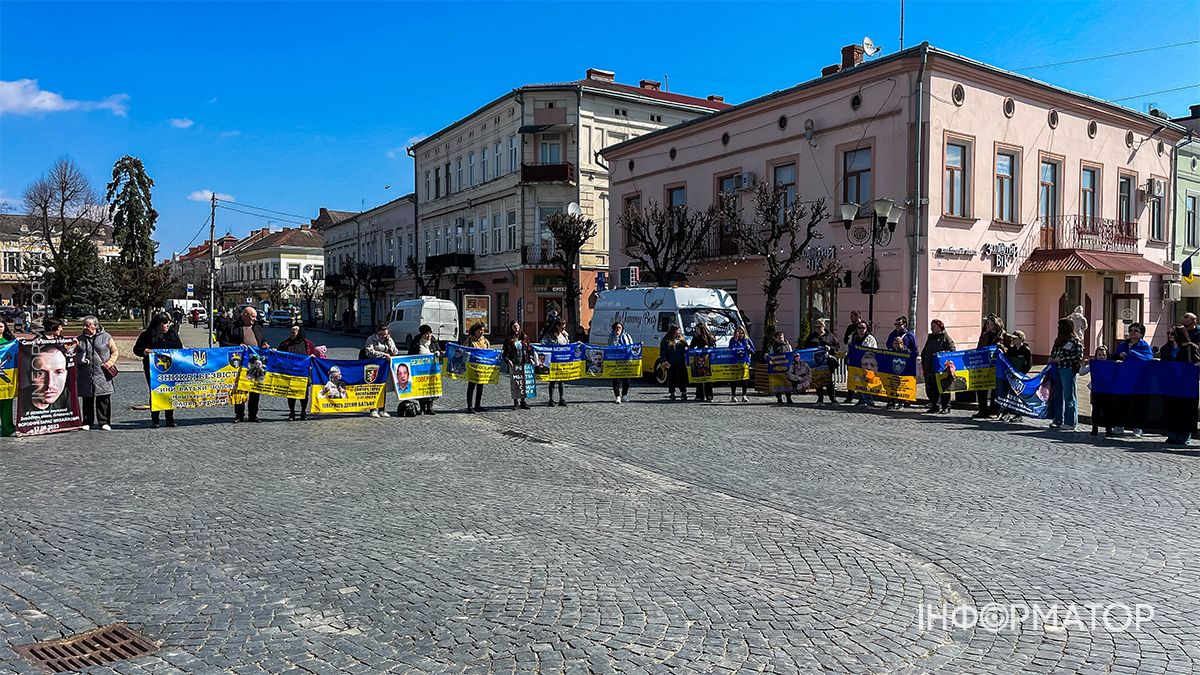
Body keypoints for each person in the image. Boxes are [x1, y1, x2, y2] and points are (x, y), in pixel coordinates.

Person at [219, 306, 268, 423]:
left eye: (255, 317)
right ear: (244, 315)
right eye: (252, 317)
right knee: (240, 389)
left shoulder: (257, 327)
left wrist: (264, 344)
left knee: (255, 390)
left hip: (255, 362)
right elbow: (223, 342)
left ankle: (253, 414)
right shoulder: (232, 327)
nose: (255, 319)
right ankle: (239, 414)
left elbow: (262, 340)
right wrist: (237, 347)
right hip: (239, 363)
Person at [133, 313, 182, 428]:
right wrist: (145, 351)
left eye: (168, 323)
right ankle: (155, 418)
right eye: (165, 323)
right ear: (158, 324)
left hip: (169, 368)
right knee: (155, 391)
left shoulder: (172, 334)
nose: (167, 326)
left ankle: (170, 418)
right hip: (153, 368)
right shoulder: (147, 335)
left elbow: (179, 347)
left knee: (169, 391)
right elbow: (137, 349)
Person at [76, 316, 118, 431]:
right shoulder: (79, 340)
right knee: (87, 398)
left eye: (87, 325)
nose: (84, 327)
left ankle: (104, 422)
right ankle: (87, 421)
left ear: (95, 326)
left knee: (103, 398)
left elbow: (114, 351)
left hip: (102, 372)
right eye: (83, 325)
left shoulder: (106, 337)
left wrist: (110, 362)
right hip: (86, 373)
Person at [1165, 326, 1200, 445]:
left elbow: (1197, 362)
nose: (1170, 336)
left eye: (1173, 333)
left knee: (1186, 410)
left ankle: (1184, 436)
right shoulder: (1167, 348)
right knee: (1172, 409)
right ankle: (1172, 435)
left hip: (1186, 385)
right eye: (1169, 333)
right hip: (1171, 383)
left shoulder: (1190, 347)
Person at [1047, 318, 1083, 431]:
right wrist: (1051, 358)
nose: (1058, 328)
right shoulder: (1058, 340)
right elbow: (1053, 352)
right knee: (1057, 394)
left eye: (1060, 327)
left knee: (1069, 395)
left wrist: (1061, 359)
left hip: (1067, 369)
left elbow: (1078, 356)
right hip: (1056, 369)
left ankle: (1070, 421)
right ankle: (1058, 419)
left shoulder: (1075, 341)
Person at [278, 324, 314, 421]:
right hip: (290, 372)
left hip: (303, 373)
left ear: (299, 333)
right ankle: (292, 412)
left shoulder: (308, 344)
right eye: (291, 331)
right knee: (291, 393)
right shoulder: (285, 344)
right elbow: (278, 355)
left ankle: (303, 412)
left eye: (294, 331)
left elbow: (314, 355)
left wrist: (313, 357)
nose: (292, 333)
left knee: (304, 394)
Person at [920, 319, 956, 414]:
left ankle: (946, 406)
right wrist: (924, 360)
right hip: (930, 367)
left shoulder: (945, 338)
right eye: (931, 326)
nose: (932, 328)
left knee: (944, 388)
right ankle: (935, 405)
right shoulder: (930, 338)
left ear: (940, 327)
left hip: (942, 368)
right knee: (932, 388)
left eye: (934, 326)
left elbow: (952, 351)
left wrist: (943, 354)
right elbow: (925, 351)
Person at [363, 324, 399, 418]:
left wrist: (390, 343)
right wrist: (383, 354)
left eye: (385, 334)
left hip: (384, 367)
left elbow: (395, 352)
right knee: (374, 387)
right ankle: (373, 409)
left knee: (383, 387)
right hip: (373, 366)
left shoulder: (389, 340)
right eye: (381, 334)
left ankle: (382, 409)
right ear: (377, 333)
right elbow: (369, 351)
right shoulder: (371, 339)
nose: (383, 336)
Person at [998, 330, 1033, 422]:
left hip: (1020, 375)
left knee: (1018, 395)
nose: (1013, 340)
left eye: (1015, 338)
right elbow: (1007, 360)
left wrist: (1021, 374)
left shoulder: (1026, 350)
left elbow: (1029, 364)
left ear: (1021, 339)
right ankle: (1006, 413)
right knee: (1008, 394)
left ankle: (1019, 414)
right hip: (1011, 375)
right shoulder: (1012, 350)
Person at [973, 315, 1005, 419]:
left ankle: (994, 411)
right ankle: (982, 410)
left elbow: (1009, 351)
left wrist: (1002, 348)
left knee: (995, 390)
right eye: (988, 323)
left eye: (992, 323)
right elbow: (979, 349)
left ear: (997, 324)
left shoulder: (1004, 336)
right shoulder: (984, 335)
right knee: (981, 388)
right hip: (984, 365)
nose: (989, 325)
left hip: (997, 366)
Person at [410, 324, 444, 415]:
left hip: (432, 369)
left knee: (430, 387)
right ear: (422, 334)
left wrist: (438, 354)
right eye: (426, 334)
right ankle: (422, 408)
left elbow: (440, 354)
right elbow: (410, 355)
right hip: (420, 370)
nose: (428, 336)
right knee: (421, 388)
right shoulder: (416, 342)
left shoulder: (434, 342)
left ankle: (430, 407)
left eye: (430, 333)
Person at [884, 316, 918, 409]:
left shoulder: (909, 335)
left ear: (904, 324)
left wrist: (910, 359)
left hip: (905, 363)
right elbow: (888, 345)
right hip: (894, 362)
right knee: (892, 381)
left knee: (903, 382)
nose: (897, 326)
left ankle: (903, 400)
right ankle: (892, 400)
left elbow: (915, 350)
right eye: (895, 324)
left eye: (899, 324)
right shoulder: (892, 334)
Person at [804, 319, 839, 405]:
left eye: (820, 326)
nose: (818, 328)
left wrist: (830, 348)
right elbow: (806, 347)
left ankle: (833, 398)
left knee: (828, 380)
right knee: (818, 380)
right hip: (815, 361)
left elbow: (837, 347)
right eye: (816, 327)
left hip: (827, 361)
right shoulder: (812, 336)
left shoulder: (830, 336)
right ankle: (820, 398)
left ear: (824, 326)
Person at [502, 320, 533, 410]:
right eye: (514, 326)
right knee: (515, 382)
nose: (516, 328)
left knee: (524, 382)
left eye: (517, 326)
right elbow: (505, 351)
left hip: (524, 361)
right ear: (511, 328)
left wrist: (530, 357)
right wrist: (508, 360)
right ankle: (515, 402)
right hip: (514, 363)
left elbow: (529, 348)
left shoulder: (524, 337)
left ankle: (523, 401)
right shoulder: (509, 338)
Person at [848, 321, 879, 407]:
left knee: (867, 382)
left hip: (866, 363)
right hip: (855, 362)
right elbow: (849, 348)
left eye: (863, 328)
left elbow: (874, 350)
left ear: (866, 329)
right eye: (859, 328)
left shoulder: (870, 339)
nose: (861, 330)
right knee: (857, 381)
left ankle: (870, 401)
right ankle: (861, 400)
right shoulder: (853, 337)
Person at [542, 318, 571, 407]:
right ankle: (551, 399)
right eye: (562, 327)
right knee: (552, 381)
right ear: (557, 326)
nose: (563, 329)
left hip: (562, 361)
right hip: (553, 361)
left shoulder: (564, 335)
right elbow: (543, 344)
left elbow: (568, 346)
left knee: (561, 380)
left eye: (564, 327)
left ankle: (561, 399)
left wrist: (568, 337)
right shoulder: (550, 335)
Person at [463, 322, 489, 414]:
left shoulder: (484, 340)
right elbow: (464, 351)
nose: (482, 332)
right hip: (472, 366)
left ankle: (478, 405)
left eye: (483, 330)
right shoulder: (470, 340)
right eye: (480, 330)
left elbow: (488, 351)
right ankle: (470, 406)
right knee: (471, 386)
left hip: (482, 366)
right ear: (475, 331)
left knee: (480, 386)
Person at [659, 325, 688, 401]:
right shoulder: (666, 340)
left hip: (681, 362)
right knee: (672, 378)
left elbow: (686, 348)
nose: (679, 332)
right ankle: (672, 393)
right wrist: (664, 361)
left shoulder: (681, 339)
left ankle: (683, 392)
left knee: (682, 378)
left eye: (679, 330)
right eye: (678, 330)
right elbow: (663, 352)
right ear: (673, 331)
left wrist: (687, 349)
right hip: (671, 363)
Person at [689, 322, 716, 403]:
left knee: (708, 377)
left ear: (702, 329)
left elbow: (713, 345)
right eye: (695, 329)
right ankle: (699, 395)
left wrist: (708, 346)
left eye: (697, 329)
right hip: (699, 358)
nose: (696, 331)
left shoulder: (709, 336)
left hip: (707, 358)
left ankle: (709, 396)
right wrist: (694, 339)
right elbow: (692, 346)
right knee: (699, 377)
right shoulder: (696, 337)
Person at [765, 329, 794, 404]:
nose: (781, 339)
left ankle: (789, 398)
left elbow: (790, 355)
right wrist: (767, 357)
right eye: (779, 338)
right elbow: (771, 356)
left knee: (787, 382)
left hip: (786, 368)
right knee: (778, 383)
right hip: (777, 368)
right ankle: (779, 398)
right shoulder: (773, 347)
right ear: (775, 339)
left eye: (782, 337)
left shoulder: (788, 345)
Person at [608, 321, 634, 404]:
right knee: (616, 379)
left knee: (626, 379)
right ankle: (617, 396)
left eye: (619, 327)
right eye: (616, 328)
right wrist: (616, 337)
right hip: (616, 361)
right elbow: (611, 346)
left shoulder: (627, 336)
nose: (618, 329)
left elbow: (631, 345)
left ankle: (624, 395)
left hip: (626, 360)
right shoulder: (612, 336)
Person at [727, 325, 754, 403]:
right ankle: (733, 396)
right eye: (738, 333)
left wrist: (749, 348)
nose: (740, 335)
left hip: (744, 362)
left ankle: (744, 395)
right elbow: (730, 349)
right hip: (734, 362)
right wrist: (735, 340)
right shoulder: (732, 340)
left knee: (744, 379)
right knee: (734, 379)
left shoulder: (747, 340)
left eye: (741, 333)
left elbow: (753, 350)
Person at [0, 319, 14, 436]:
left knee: (6, 404)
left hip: (6, 378)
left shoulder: (10, 343)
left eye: (1, 326)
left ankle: (7, 427)